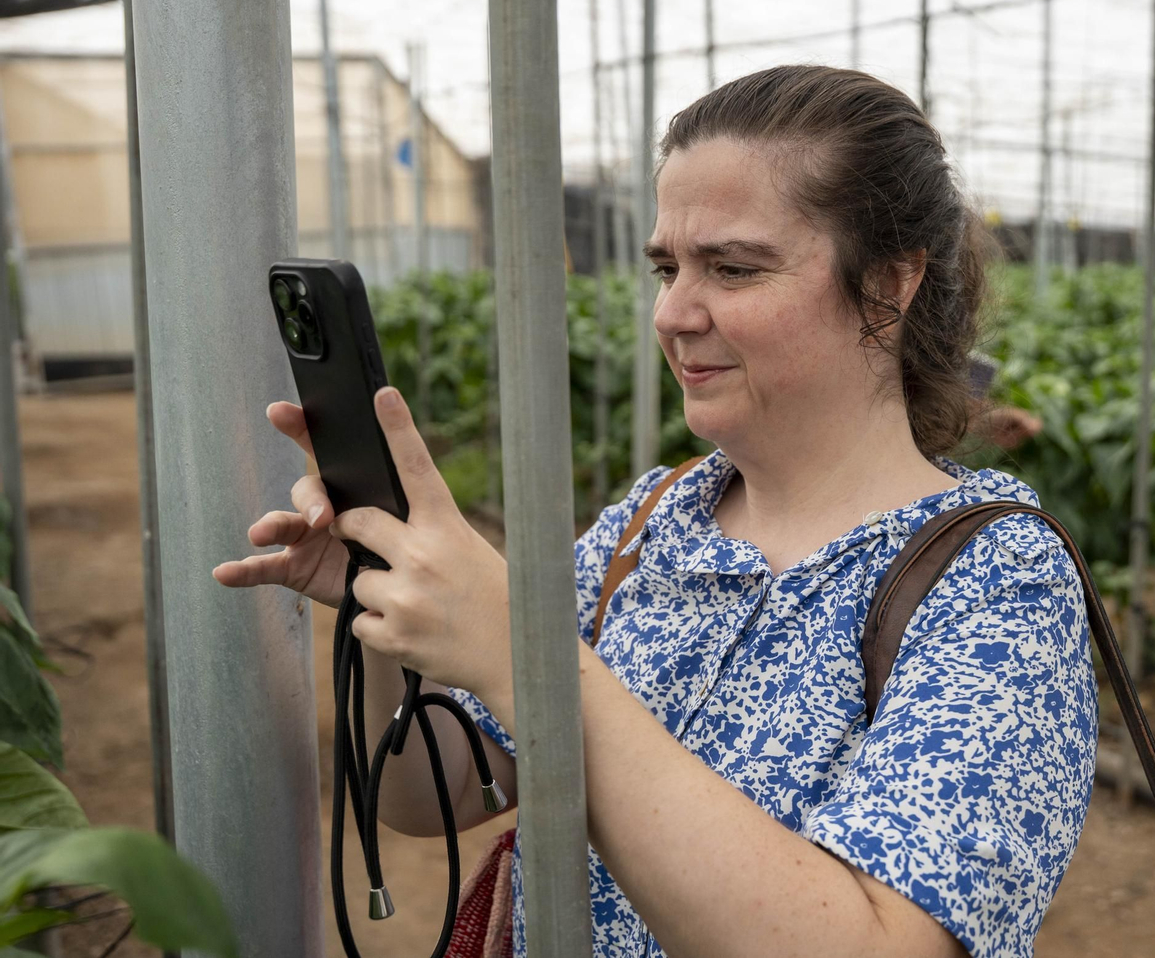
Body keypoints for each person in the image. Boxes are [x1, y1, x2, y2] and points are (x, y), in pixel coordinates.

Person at [214, 65, 1096, 958]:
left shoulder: (995, 581)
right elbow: (428, 796)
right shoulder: (658, 517)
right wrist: (384, 592)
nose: (673, 312)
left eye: (735, 268)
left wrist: (529, 658)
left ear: (889, 285)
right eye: (667, 268)